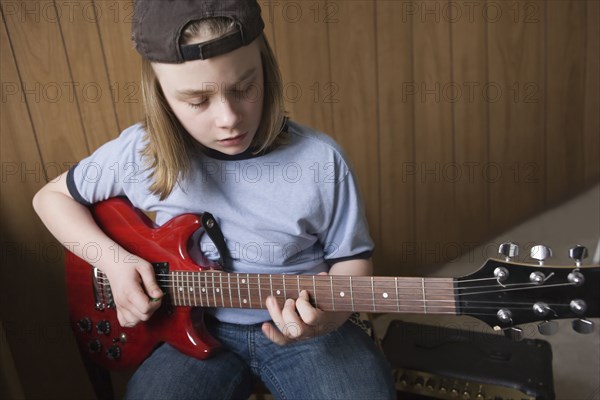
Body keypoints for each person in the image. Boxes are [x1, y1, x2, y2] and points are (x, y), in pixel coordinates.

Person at [33, 1, 396, 398]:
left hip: (307, 332)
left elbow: (353, 261)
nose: (228, 118)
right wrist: (114, 263)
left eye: (244, 88)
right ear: (162, 97)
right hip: (189, 328)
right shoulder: (140, 153)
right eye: (197, 101)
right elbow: (50, 199)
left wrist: (330, 317)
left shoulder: (321, 159)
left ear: (266, 70)